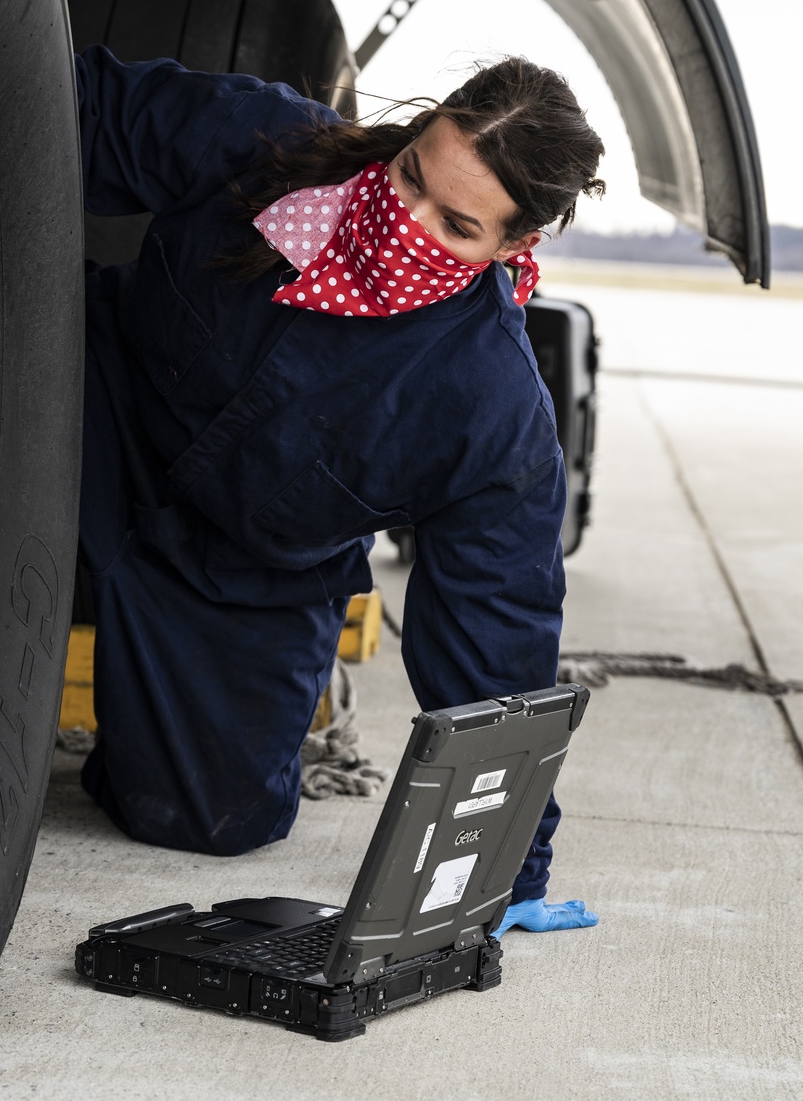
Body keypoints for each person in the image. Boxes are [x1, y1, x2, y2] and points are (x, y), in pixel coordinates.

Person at [75, 46, 603, 937]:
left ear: (515, 247)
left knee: (216, 820)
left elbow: (496, 638)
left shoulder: (492, 410)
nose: (403, 222)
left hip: (242, 569)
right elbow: (63, 103)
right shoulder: (270, 144)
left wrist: (506, 865)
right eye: (408, 178)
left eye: (455, 226)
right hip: (100, 407)